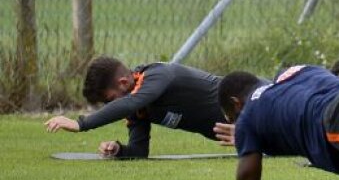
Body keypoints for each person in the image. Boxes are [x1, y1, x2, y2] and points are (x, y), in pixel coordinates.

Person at [44, 56, 234, 158]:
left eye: (111, 100)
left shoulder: (158, 75)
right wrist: (118, 150)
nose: (113, 106)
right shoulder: (137, 109)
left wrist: (81, 124)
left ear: (123, 82)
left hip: (250, 102)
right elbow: (139, 151)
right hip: (244, 133)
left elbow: (130, 103)